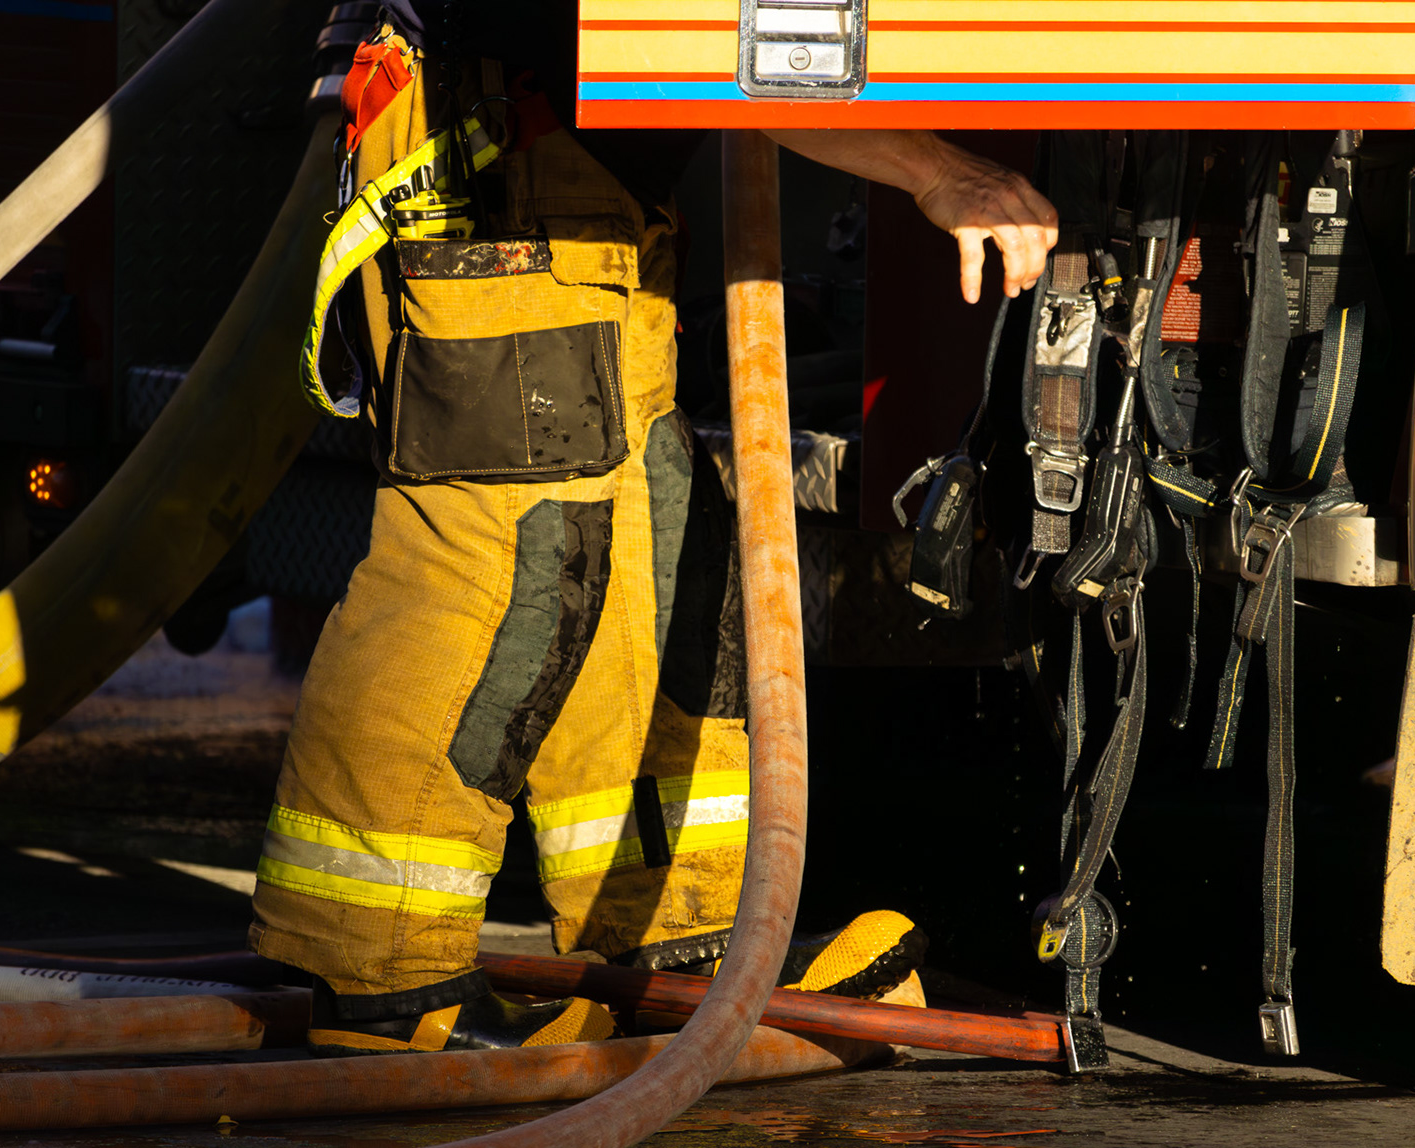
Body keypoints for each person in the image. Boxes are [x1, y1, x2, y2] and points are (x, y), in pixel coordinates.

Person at [250, 3, 1059, 1056]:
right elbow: (727, 46)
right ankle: (357, 972)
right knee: (504, 570)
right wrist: (932, 168)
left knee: (651, 555)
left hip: (579, 211)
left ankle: (672, 941)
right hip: (500, 194)